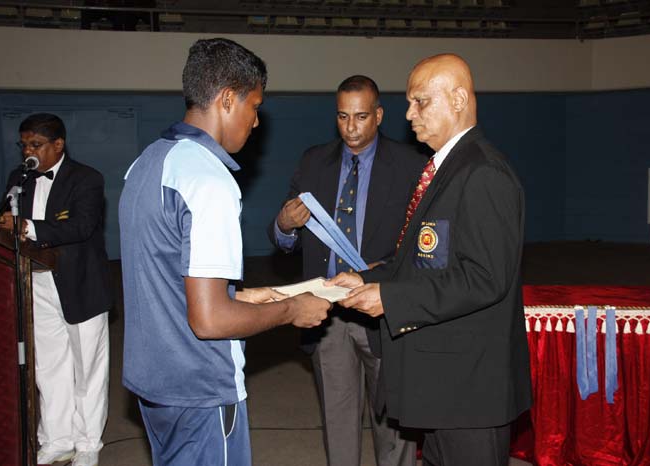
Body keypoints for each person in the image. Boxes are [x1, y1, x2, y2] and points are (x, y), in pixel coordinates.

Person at [118, 38, 331, 466]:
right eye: (255, 106)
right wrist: (292, 310)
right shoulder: (208, 180)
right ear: (228, 99)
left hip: (155, 383)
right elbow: (210, 320)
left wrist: (245, 296)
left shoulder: (147, 163)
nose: (256, 121)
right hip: (200, 390)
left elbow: (167, 279)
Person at [329, 54, 533, 466]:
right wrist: (368, 279)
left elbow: (484, 278)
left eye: (420, 102)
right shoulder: (446, 169)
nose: (409, 115)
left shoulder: (483, 173)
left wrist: (389, 299)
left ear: (458, 100)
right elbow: (426, 261)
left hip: (471, 393)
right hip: (445, 389)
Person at [268, 75, 426, 466]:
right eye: (342, 117)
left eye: (360, 117)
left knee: (394, 424)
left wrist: (382, 271)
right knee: (338, 422)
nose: (351, 127)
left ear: (379, 115)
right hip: (326, 313)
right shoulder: (313, 162)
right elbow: (285, 240)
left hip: (382, 308)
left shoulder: (411, 166)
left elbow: (424, 249)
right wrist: (284, 225)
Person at [0, 113, 112, 466]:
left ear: (58, 144)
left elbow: (81, 226)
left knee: (88, 367)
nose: (28, 152)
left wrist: (28, 227)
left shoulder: (87, 178)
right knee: (49, 367)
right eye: (24, 145)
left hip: (80, 283)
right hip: (36, 281)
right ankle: (57, 439)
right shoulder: (19, 178)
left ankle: (88, 444)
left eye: (36, 145)